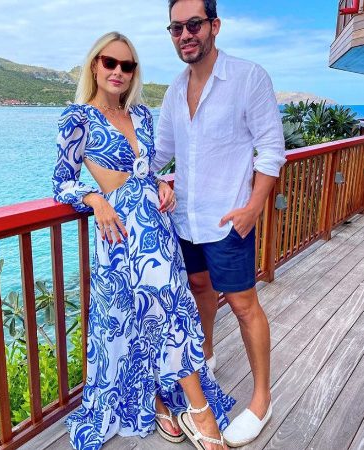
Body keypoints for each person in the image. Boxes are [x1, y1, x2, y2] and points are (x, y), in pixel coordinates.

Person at [52, 31, 235, 450]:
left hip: (156, 225)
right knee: (155, 313)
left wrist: (162, 184)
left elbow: (144, 171)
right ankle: (197, 411)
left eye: (127, 65)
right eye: (110, 62)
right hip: (120, 231)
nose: (118, 71)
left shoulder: (141, 115)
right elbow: (61, 181)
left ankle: (162, 399)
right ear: (95, 65)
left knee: (164, 310)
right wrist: (94, 198)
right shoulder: (76, 118)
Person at [153, 0, 286, 447]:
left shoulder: (248, 77)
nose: (185, 35)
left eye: (194, 24)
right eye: (176, 28)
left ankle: (262, 400)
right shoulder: (174, 90)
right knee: (199, 288)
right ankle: (206, 355)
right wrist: (119, 179)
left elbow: (272, 149)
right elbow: (160, 152)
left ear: (214, 26)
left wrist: (253, 208)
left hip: (230, 219)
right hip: (185, 218)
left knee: (245, 306)